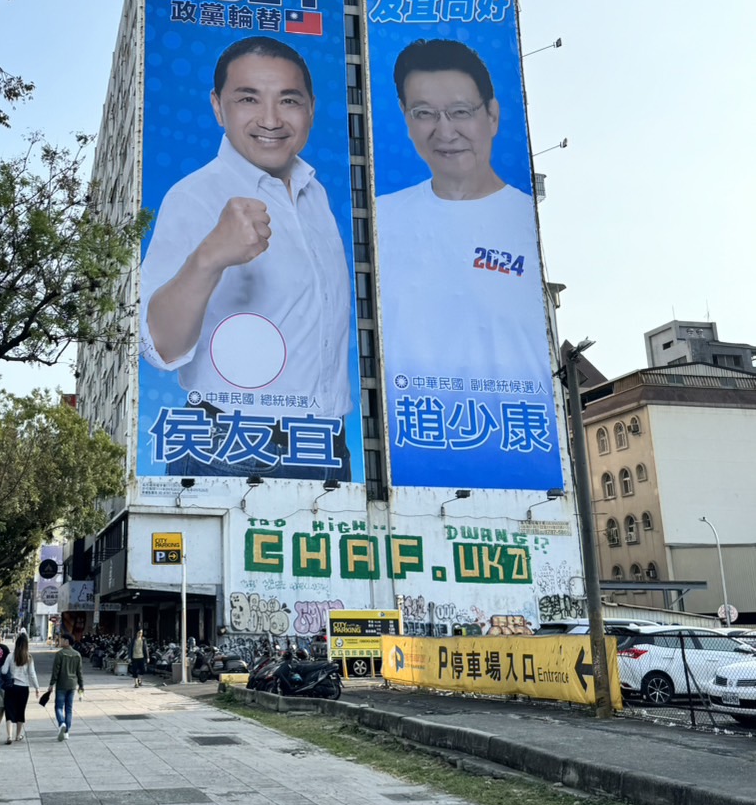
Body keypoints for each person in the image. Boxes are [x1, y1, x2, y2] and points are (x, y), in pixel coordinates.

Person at [139, 37, 352, 477]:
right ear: (218, 107)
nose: (271, 120)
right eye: (248, 99)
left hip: (325, 443)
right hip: (234, 443)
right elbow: (158, 346)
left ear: (310, 108)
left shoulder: (316, 193)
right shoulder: (195, 197)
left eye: (288, 100)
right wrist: (209, 258)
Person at [375, 37, 552, 388]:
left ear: (492, 116)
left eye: (460, 112)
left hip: (503, 422)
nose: (445, 132)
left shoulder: (519, 218)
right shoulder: (380, 218)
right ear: (406, 119)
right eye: (424, 113)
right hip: (406, 419)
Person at [48, 632, 84, 741]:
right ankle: (67, 732)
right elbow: (79, 672)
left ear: (67, 641)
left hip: (61, 684)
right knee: (69, 708)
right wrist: (81, 685)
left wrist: (51, 684)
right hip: (72, 685)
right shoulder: (77, 655)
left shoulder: (60, 654)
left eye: (62, 640)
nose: (60, 641)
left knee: (58, 706)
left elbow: (55, 671)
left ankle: (62, 723)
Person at [2, 634, 38, 744]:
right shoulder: (29, 657)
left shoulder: (9, 656)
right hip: (23, 688)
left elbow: (3, 671)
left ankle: (9, 736)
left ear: (16, 644)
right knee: (20, 711)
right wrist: (37, 687)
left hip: (11, 687)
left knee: (9, 710)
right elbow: (32, 674)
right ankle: (18, 736)